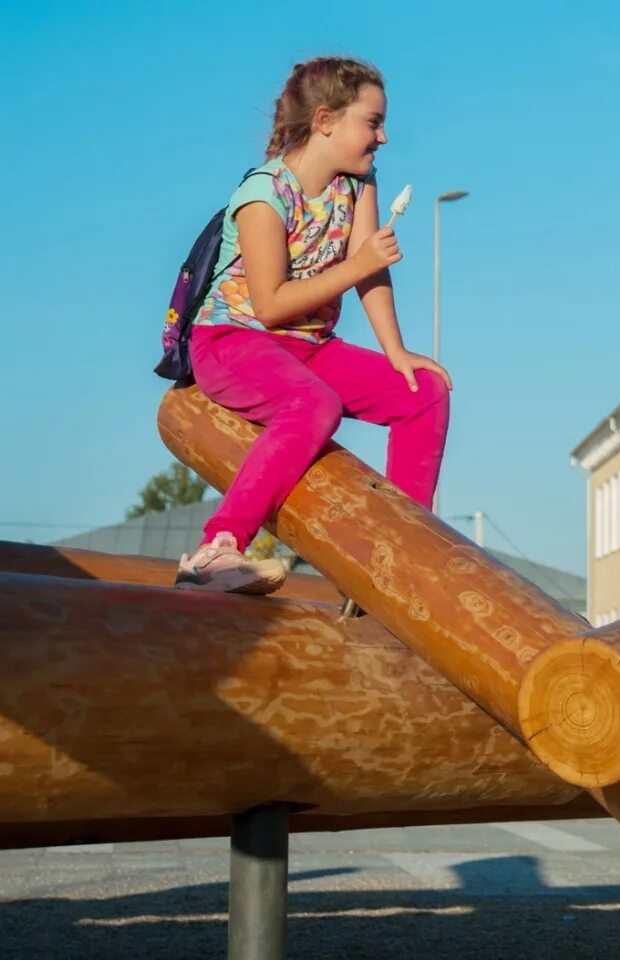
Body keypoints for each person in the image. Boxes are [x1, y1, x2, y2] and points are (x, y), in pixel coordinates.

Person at [175, 56, 449, 594]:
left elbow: (370, 277)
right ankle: (218, 549)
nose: (384, 136)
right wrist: (359, 264)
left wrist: (397, 352)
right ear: (326, 120)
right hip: (235, 341)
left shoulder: (359, 183)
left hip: (309, 346)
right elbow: (272, 304)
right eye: (372, 122)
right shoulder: (263, 196)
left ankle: (398, 559)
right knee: (313, 404)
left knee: (426, 390)